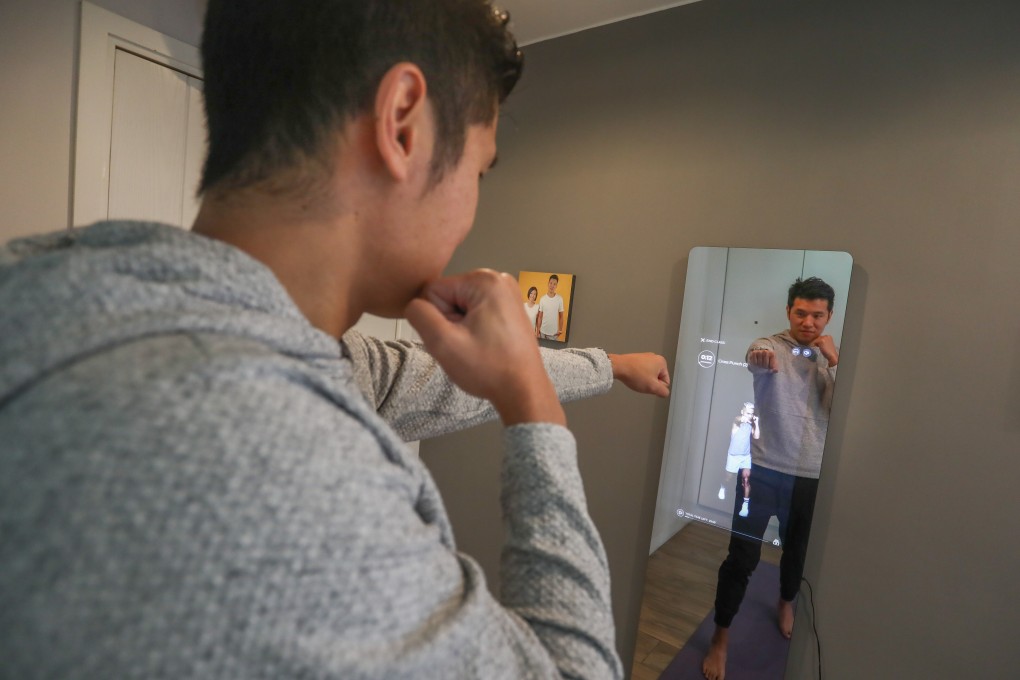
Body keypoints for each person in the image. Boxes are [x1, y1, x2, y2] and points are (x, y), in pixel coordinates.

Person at [0, 2, 667, 678]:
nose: (472, 206)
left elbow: (414, 379)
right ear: (402, 122)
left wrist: (608, 366)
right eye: (480, 172)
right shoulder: (286, 475)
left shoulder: (67, 292)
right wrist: (535, 414)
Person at [703, 277, 839, 680]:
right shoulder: (771, 345)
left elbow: (841, 410)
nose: (808, 322)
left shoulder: (832, 359)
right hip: (759, 470)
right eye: (801, 312)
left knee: (796, 553)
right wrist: (759, 356)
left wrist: (835, 363)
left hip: (808, 476)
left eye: (817, 315)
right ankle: (720, 637)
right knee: (740, 558)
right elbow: (755, 353)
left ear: (829, 316)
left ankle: (785, 600)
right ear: (788, 312)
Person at [717, 402, 759, 519]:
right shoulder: (737, 421)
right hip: (733, 456)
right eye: (748, 413)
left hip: (745, 457)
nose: (750, 415)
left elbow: (756, 437)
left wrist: (756, 423)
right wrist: (744, 418)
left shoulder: (751, 424)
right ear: (743, 412)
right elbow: (738, 419)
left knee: (746, 480)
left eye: (752, 413)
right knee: (728, 477)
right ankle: (723, 487)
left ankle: (745, 506)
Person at [536, 273, 565, 340]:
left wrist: (560, 330)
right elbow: (540, 317)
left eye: (554, 284)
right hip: (542, 332)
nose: (552, 285)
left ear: (556, 286)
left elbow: (561, 316)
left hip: (553, 334)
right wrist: (538, 332)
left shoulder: (559, 299)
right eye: (551, 283)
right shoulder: (542, 299)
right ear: (548, 283)